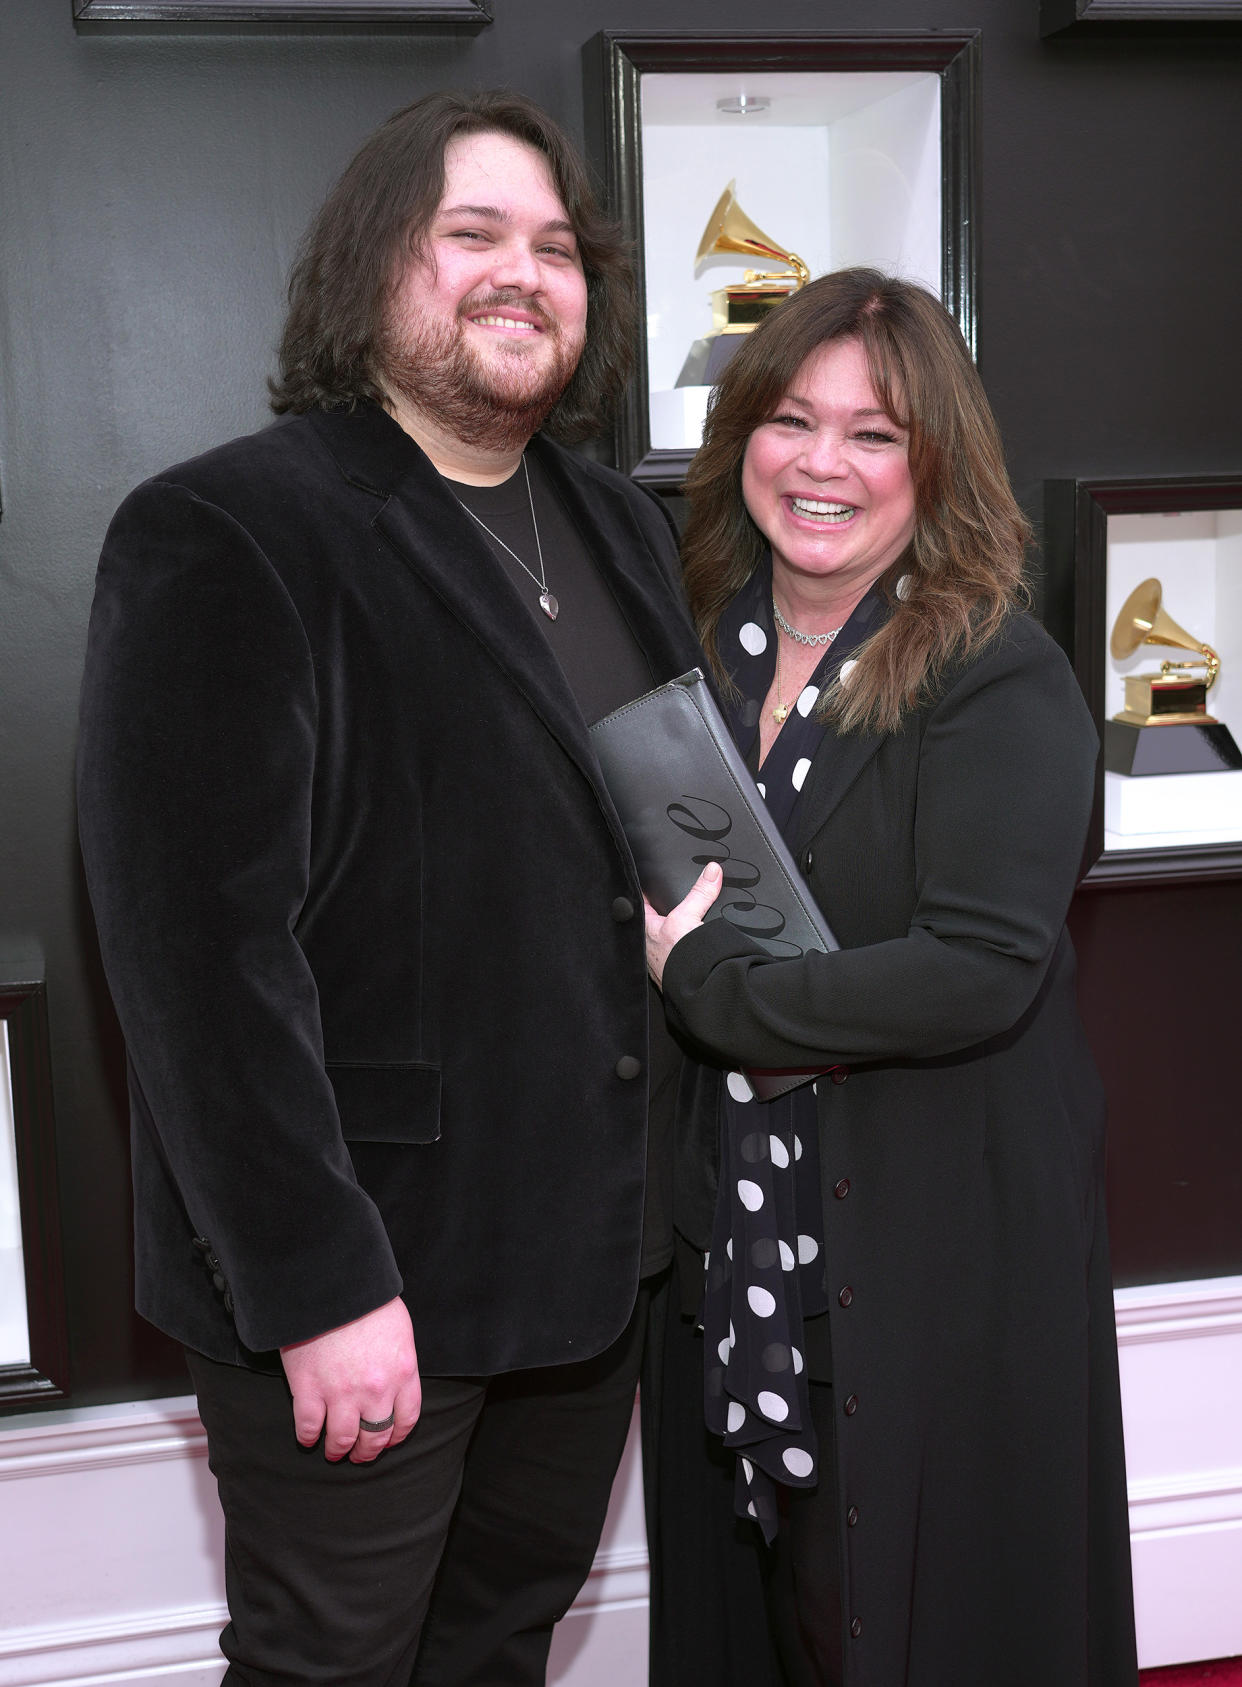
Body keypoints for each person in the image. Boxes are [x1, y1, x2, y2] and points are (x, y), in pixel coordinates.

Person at [77, 90, 703, 1687]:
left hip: (592, 1256)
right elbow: (197, 963)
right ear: (373, 274)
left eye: (556, 247)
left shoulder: (621, 526)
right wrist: (320, 1286)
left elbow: (636, 826)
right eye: (473, 234)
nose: (525, 273)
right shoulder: (228, 528)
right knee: (332, 1669)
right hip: (373, 1277)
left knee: (499, 1644)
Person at [643, 269, 1139, 1687]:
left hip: (928, 1247)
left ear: (935, 462)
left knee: (899, 1621)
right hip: (735, 1240)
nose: (820, 464)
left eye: (873, 434)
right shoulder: (702, 648)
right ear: (739, 433)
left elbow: (979, 967)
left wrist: (713, 996)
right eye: (790, 419)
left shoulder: (994, 670)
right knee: (770, 1619)